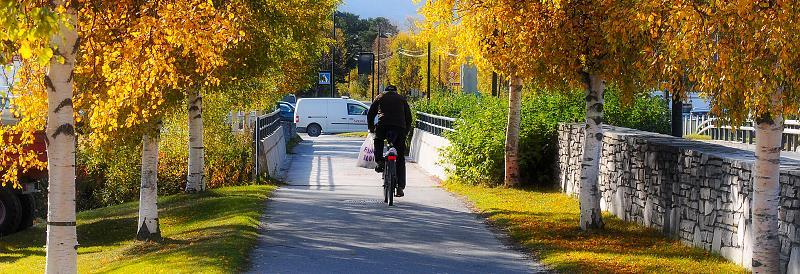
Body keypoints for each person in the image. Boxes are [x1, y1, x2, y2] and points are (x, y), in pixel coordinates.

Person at [367, 85, 412, 197]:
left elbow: (370, 114)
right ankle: (400, 187)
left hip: (383, 126)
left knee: (378, 140)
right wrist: (405, 132)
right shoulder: (402, 99)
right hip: (399, 128)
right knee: (400, 157)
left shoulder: (380, 97)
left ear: (385, 91)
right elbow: (409, 118)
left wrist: (371, 128)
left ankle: (380, 162)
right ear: (396, 91)